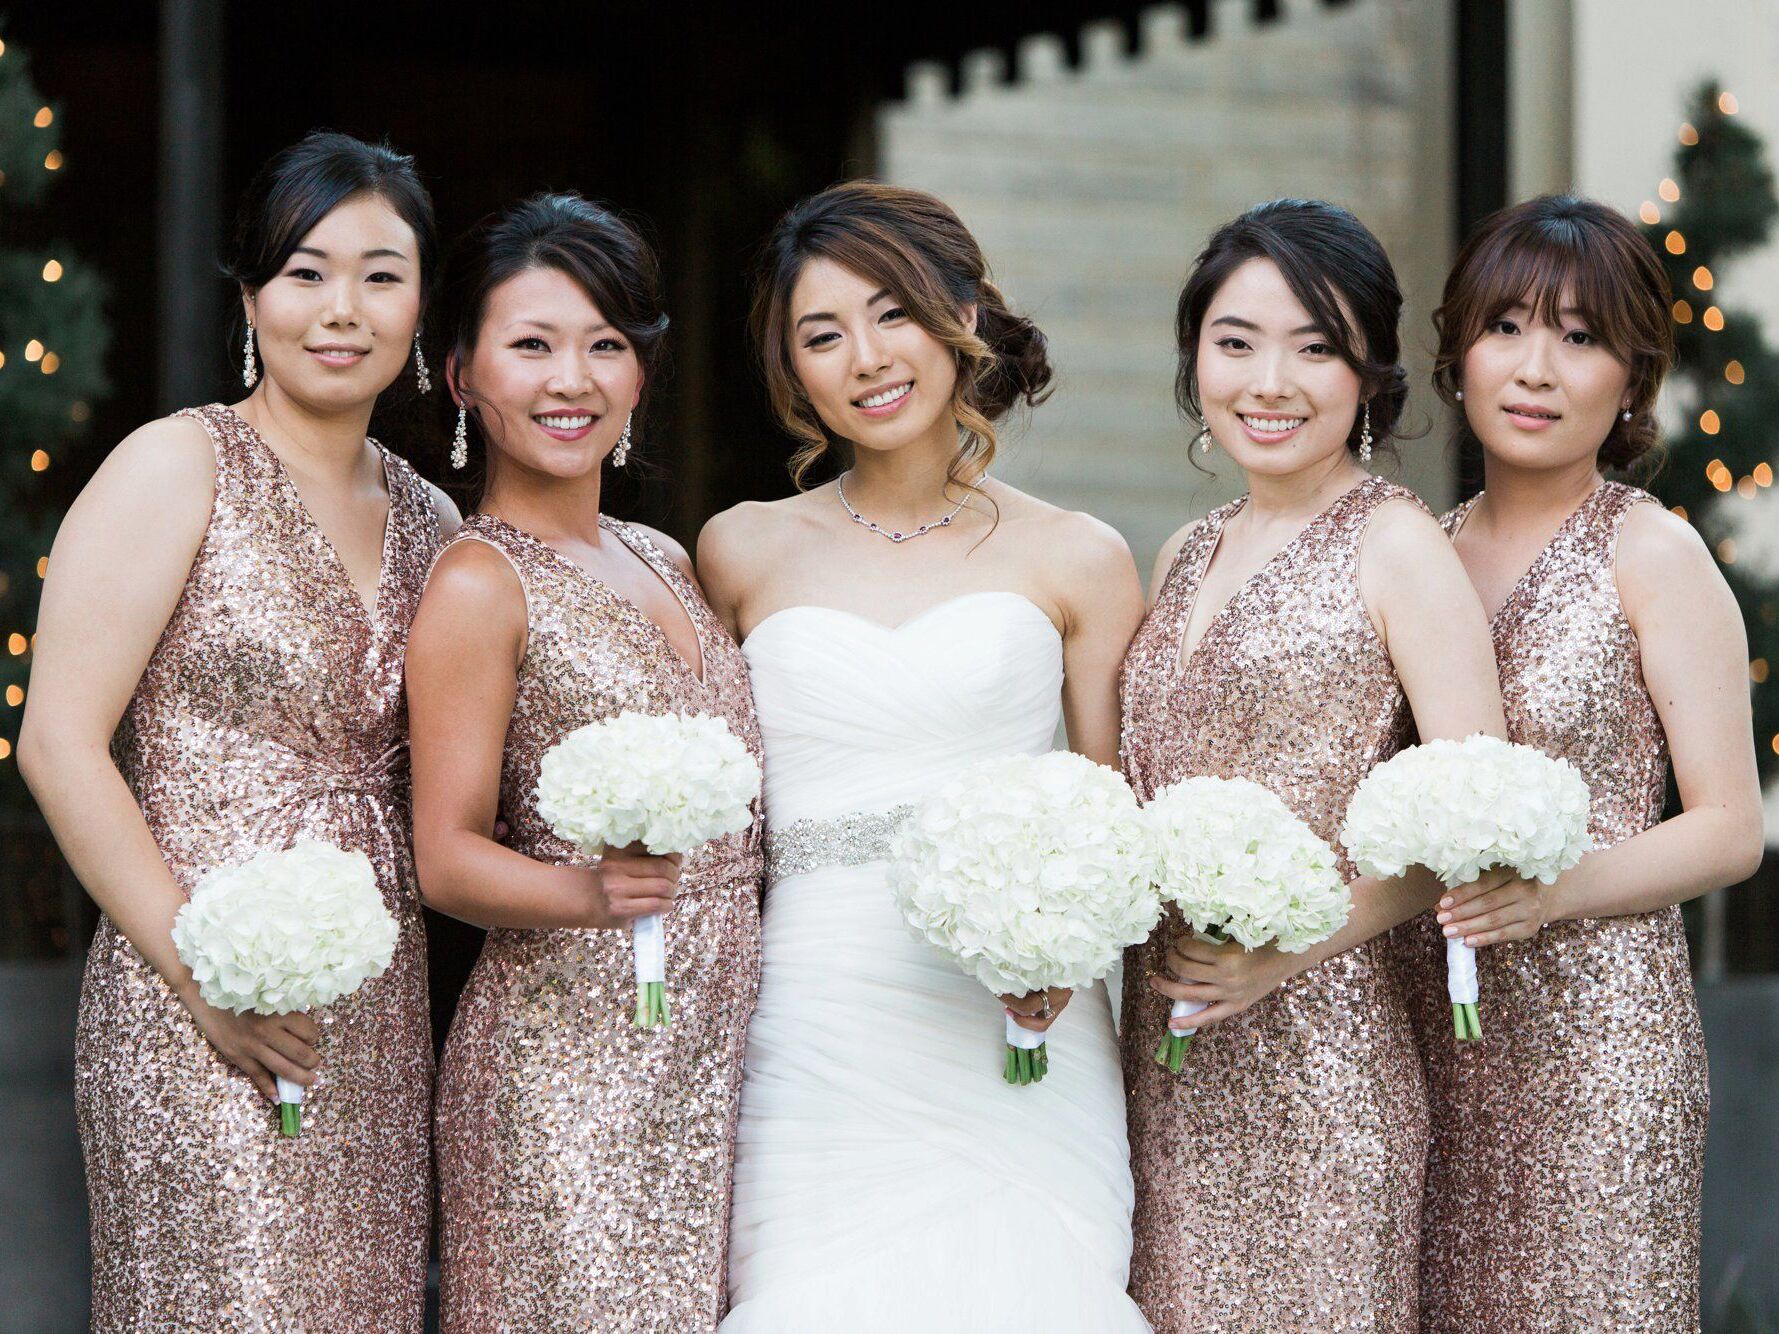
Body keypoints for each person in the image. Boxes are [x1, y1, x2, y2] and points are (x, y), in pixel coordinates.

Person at [18, 131, 455, 1327]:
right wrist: (201, 974)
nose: (342, 309)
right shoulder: (177, 464)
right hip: (188, 998)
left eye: (382, 273)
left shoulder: (434, 518)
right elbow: (58, 741)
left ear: (422, 302)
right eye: (306, 271)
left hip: (373, 1006)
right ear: (252, 292)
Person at [703, 181, 1150, 1331]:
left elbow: (1115, 821)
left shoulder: (1079, 556)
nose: (865, 356)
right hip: (814, 1032)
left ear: (961, 315)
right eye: (822, 333)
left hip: (1020, 1032)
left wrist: (1069, 952)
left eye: (891, 311)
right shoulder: (740, 550)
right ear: (791, 369)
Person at [1119, 199, 1506, 1331]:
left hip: (1324, 1057)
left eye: (1315, 345)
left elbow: (1470, 834)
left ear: (1370, 375)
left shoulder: (1399, 545)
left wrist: (1283, 950)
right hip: (1170, 1054)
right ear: (1197, 358)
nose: (1269, 380)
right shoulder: (1185, 550)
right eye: (1236, 341)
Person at [1398, 194, 1762, 1331]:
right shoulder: (1417, 548)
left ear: (1631, 376)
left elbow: (1729, 825)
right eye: (1506, 326)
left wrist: (1550, 892)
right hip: (1432, 1040)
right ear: (1458, 352)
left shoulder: (1651, 550)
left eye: (1581, 336)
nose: (1536, 367)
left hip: (1601, 1049)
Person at [407, 193, 764, 1331]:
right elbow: (445, 855)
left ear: (641, 372)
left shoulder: (662, 553)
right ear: (463, 374)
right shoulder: (478, 579)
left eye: (606, 344)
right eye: (532, 345)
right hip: (563, 1076)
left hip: (714, 1063)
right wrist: (589, 892)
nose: (572, 379)